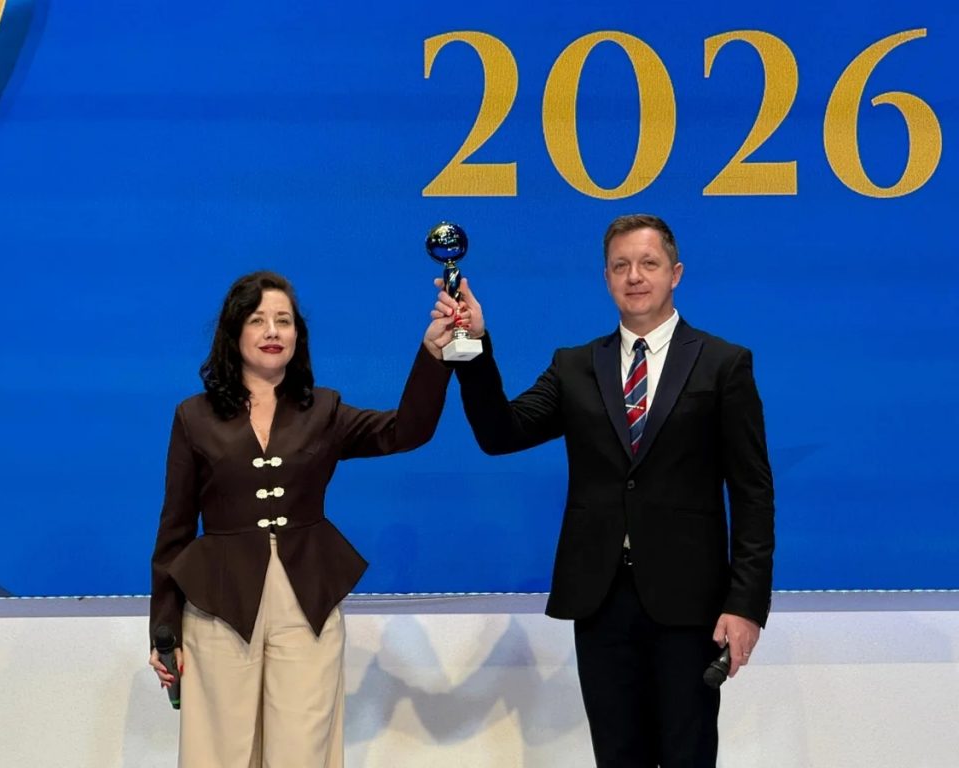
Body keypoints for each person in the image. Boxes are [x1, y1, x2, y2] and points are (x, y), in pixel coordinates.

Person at [433, 214, 775, 767]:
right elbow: (501, 434)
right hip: (601, 599)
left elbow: (753, 493)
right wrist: (471, 344)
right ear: (606, 278)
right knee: (617, 756)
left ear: (675, 274)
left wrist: (746, 605)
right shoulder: (575, 366)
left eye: (648, 263)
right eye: (620, 266)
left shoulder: (722, 363)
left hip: (690, 602)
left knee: (688, 754)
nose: (634, 276)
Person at [150, 270, 456, 767]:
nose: (272, 331)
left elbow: (406, 430)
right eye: (258, 320)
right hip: (219, 606)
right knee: (218, 752)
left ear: (298, 334)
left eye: (284, 320)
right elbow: (175, 528)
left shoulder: (324, 410)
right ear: (233, 332)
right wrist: (164, 630)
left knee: (303, 752)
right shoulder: (194, 416)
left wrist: (434, 354)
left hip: (305, 603)